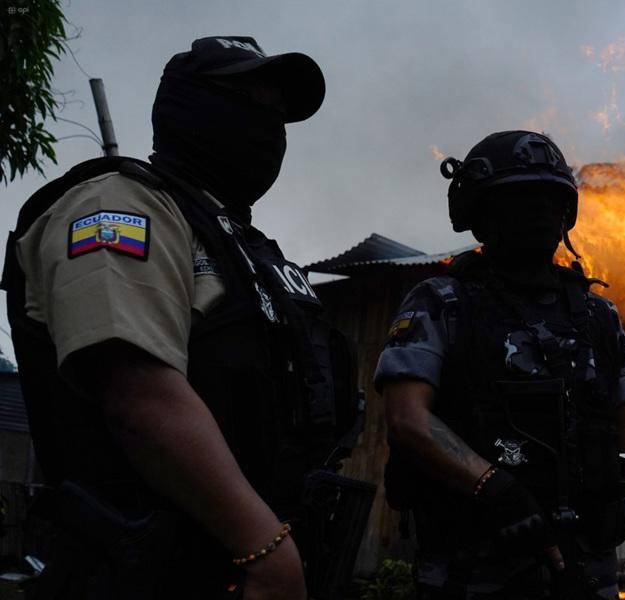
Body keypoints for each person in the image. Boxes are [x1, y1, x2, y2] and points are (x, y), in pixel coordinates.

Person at [2, 37, 360, 599]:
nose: (269, 128)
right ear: (191, 108)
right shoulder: (119, 206)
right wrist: (263, 545)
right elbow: (136, 388)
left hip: (240, 569)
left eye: (278, 115)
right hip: (146, 571)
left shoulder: (241, 246)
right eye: (250, 103)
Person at [377, 130, 625, 600]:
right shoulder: (442, 303)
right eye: (519, 198)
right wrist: (496, 490)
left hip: (586, 567)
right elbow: (406, 418)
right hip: (474, 568)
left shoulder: (596, 315)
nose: (539, 211)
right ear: (480, 212)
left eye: (549, 198)